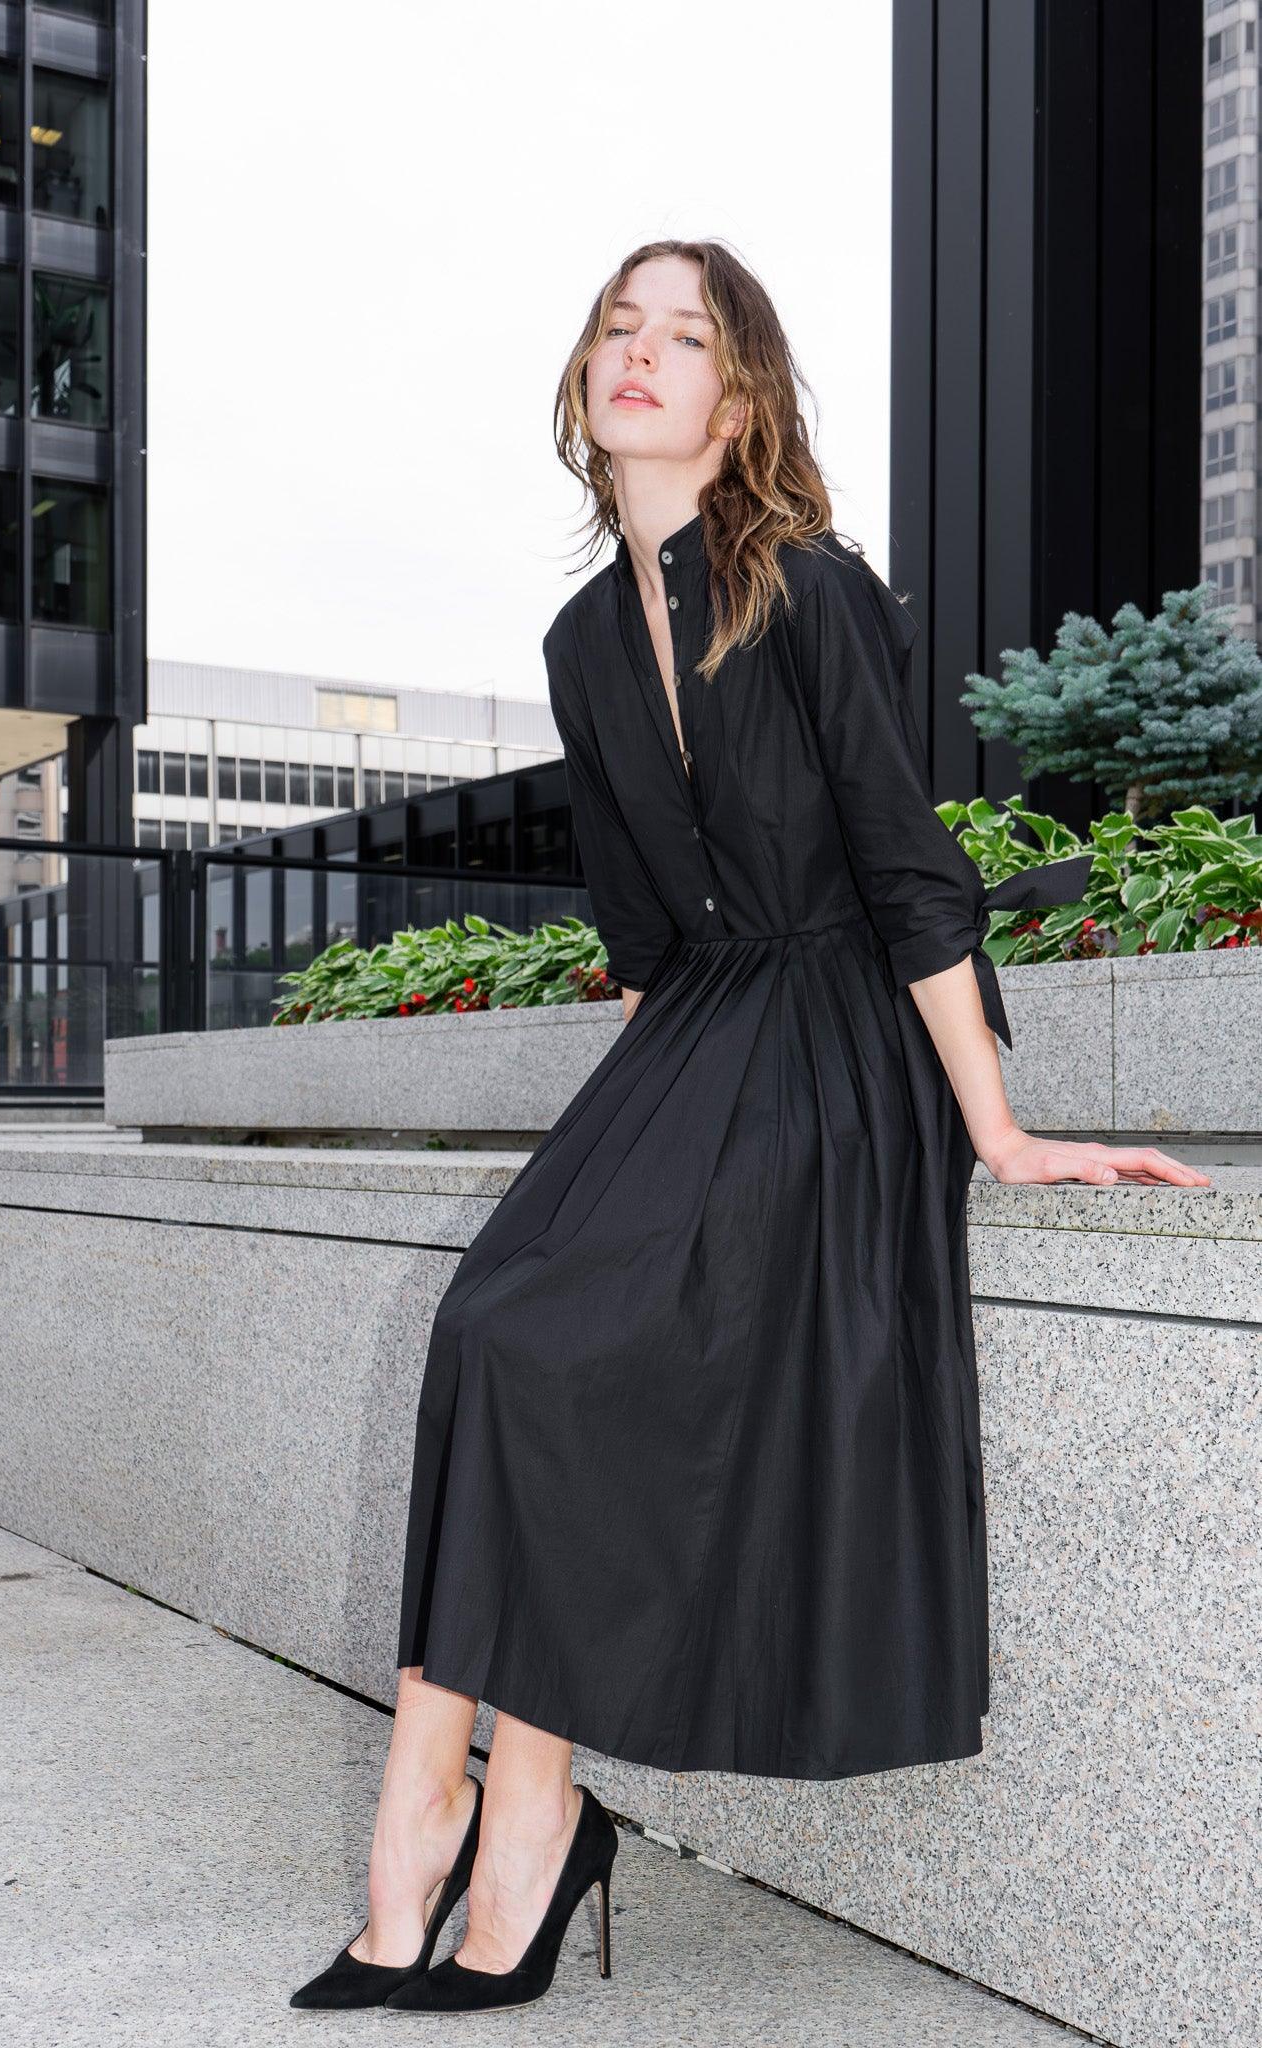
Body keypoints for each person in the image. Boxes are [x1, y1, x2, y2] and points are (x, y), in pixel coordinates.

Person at [289, 239, 1210, 2016]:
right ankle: (488, 1805)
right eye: (615, 327)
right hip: (700, 1029)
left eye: (684, 335)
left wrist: (1000, 1133)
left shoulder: (803, 585)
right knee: (495, 1330)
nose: (639, 354)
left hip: (843, 1032)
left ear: (739, 394)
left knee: (537, 1346)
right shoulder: (580, 639)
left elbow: (903, 865)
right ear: (585, 378)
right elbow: (643, 933)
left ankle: (472, 1824)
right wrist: (623, 1162)